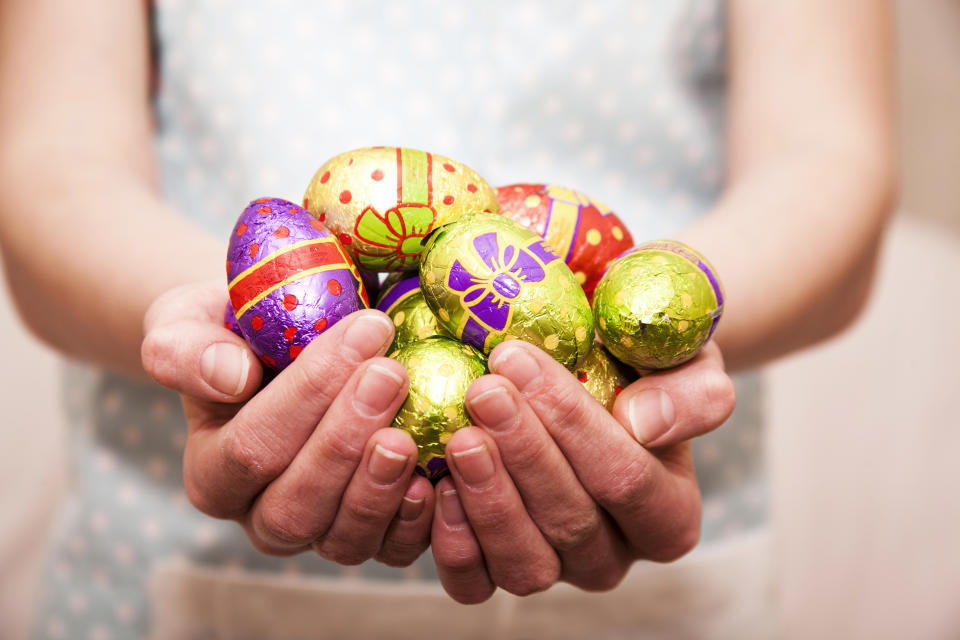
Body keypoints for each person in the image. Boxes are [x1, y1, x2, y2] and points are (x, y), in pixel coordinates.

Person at [0, 0, 894, 638]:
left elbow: (827, 159)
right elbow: (54, 166)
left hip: (650, 491)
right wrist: (228, 330)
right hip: (176, 541)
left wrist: (653, 341)